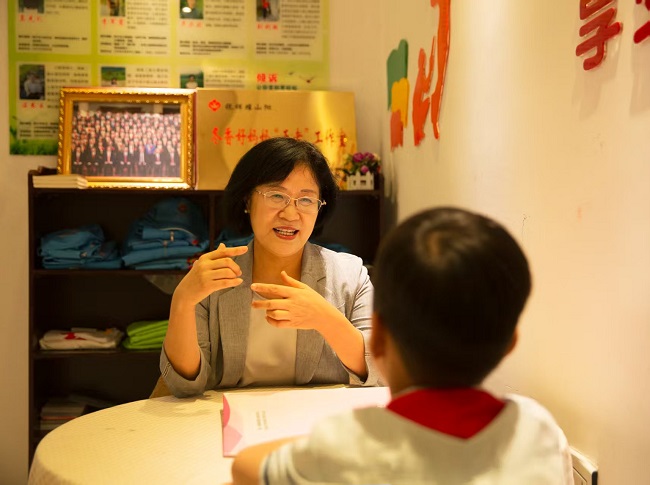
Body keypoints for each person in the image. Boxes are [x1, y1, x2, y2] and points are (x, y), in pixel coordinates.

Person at [231, 207, 574, 485]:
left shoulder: (350, 443)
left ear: (378, 338)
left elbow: (246, 466)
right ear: (510, 344)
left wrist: (318, 445)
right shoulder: (540, 431)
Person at [160, 137, 382, 397]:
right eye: (277, 195)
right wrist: (182, 300)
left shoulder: (351, 275)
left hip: (317, 419)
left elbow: (380, 372)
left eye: (306, 200)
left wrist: (324, 318)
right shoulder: (214, 277)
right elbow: (185, 384)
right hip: (229, 418)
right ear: (247, 201)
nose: (290, 214)